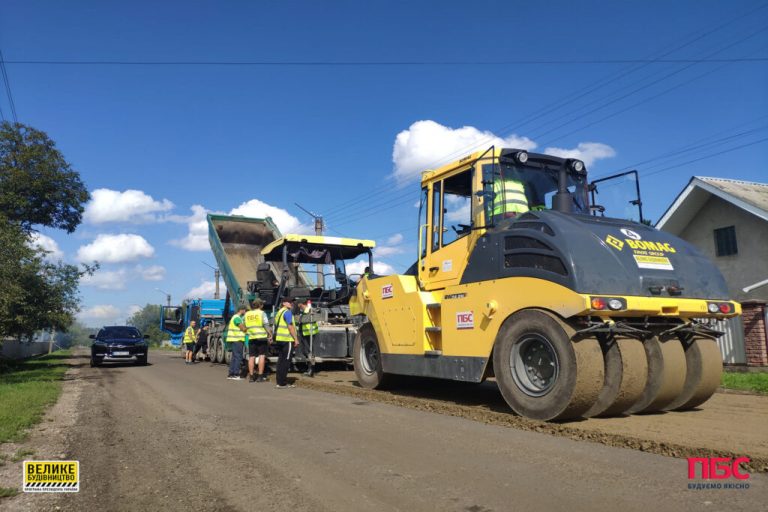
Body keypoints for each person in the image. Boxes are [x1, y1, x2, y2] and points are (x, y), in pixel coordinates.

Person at [273, 298, 299, 388]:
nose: (291, 303)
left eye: (292, 302)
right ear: (284, 303)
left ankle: (279, 381)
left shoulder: (279, 312)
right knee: (286, 361)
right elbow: (290, 327)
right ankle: (282, 382)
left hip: (279, 339)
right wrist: (296, 339)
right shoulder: (287, 312)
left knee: (280, 361)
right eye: (289, 302)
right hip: (287, 339)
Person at [244, 299, 272, 382]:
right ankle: (260, 376)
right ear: (261, 305)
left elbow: (244, 326)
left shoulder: (247, 314)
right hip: (261, 337)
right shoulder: (262, 313)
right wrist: (270, 335)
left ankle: (251, 376)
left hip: (251, 337)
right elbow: (266, 325)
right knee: (261, 356)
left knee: (251, 356)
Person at [296, 299, 319, 377]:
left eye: (298, 304)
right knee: (306, 351)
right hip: (305, 333)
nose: (297, 306)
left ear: (301, 304)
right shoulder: (304, 310)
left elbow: (313, 316)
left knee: (310, 352)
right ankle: (309, 369)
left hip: (309, 333)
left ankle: (311, 370)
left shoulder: (309, 309)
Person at [226, 304, 247, 380]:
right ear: (241, 310)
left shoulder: (235, 317)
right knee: (238, 357)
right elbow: (242, 328)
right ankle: (236, 374)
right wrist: (247, 329)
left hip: (234, 339)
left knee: (234, 357)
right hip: (238, 339)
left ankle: (231, 374)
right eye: (244, 310)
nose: (245, 311)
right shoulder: (237, 318)